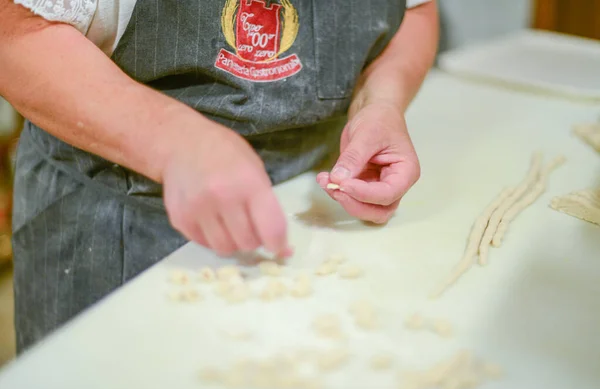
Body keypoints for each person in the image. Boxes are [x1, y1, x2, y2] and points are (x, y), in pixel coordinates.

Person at [0, 0, 438, 352]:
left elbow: (415, 12)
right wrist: (172, 139)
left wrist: (380, 102)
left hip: (318, 222)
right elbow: (15, 33)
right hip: (113, 230)